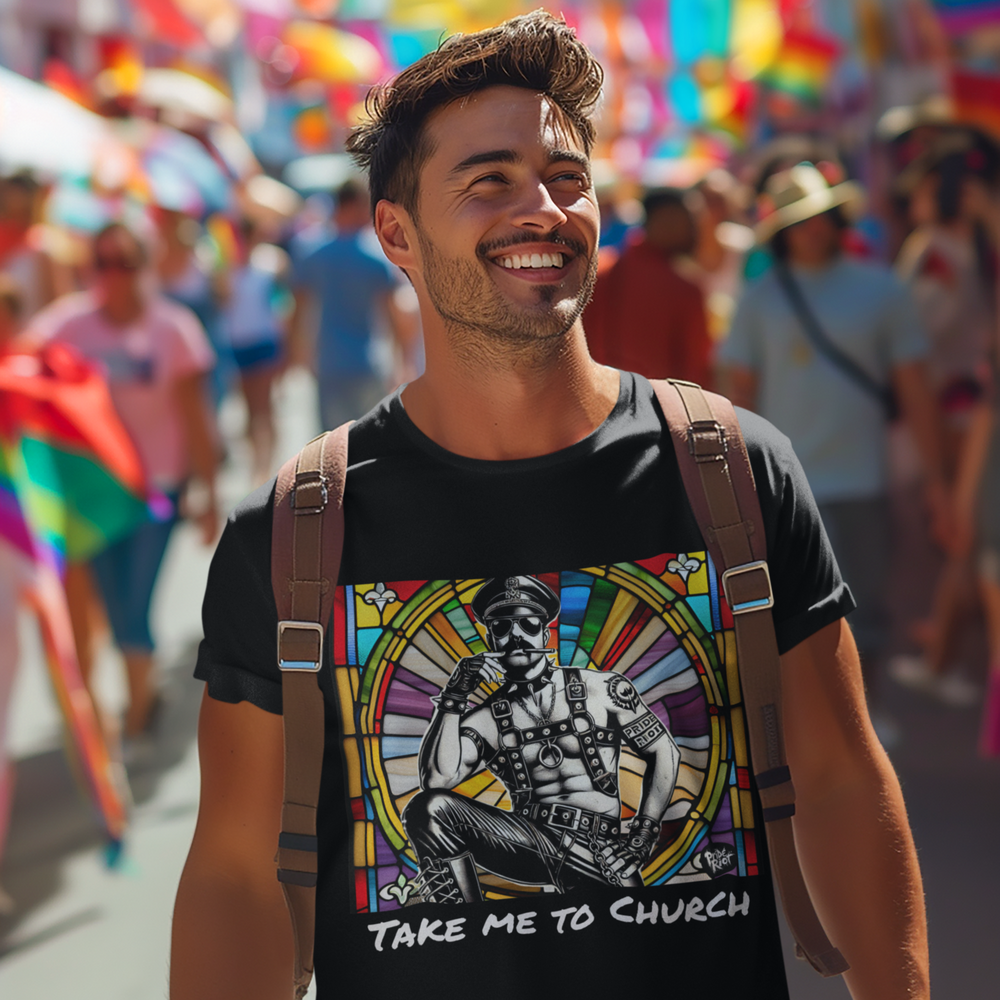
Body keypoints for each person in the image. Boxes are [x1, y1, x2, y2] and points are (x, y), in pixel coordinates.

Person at [173, 13, 929, 1000]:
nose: (544, 208)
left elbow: (837, 778)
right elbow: (236, 868)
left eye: (567, 178)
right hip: (525, 838)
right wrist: (457, 702)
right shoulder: (291, 535)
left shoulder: (733, 473)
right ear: (396, 232)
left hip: (618, 845)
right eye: (489, 180)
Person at [718, 163, 949, 733]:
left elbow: (915, 388)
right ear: (781, 232)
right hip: (783, 484)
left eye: (820, 217)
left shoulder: (881, 290)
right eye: (799, 221)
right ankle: (808, 717)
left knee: (864, 601)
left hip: (861, 478)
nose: (813, 230)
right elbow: (737, 392)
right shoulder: (761, 297)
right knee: (791, 608)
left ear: (838, 218)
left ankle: (867, 713)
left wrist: (938, 481)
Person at [27, 223, 219, 740]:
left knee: (133, 607)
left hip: (156, 490)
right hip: (94, 495)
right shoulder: (69, 325)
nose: (115, 275)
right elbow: (21, 360)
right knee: (112, 607)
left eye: (126, 262)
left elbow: (196, 416)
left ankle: (137, 717)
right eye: (104, 264)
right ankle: (139, 697)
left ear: (146, 266)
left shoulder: (173, 328)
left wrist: (208, 491)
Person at [404, 574, 680, 899]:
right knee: (428, 808)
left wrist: (643, 833)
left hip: (598, 845)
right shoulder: (485, 719)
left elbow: (664, 751)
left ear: (545, 631)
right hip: (530, 841)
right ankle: (467, 924)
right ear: (490, 639)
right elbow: (437, 780)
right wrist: (454, 696)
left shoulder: (602, 689)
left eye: (528, 625)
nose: (515, 636)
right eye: (502, 628)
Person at [288, 179, 417, 430]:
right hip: (369, 363)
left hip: (328, 363)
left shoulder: (313, 253)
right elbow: (394, 314)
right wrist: (404, 361)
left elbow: (298, 309)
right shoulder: (377, 257)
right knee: (371, 443)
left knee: (332, 448)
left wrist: (297, 352)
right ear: (352, 205)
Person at [585, 187, 712, 386]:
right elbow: (696, 371)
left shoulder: (596, 270)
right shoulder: (682, 288)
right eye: (689, 220)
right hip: (661, 409)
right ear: (665, 219)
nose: (695, 230)